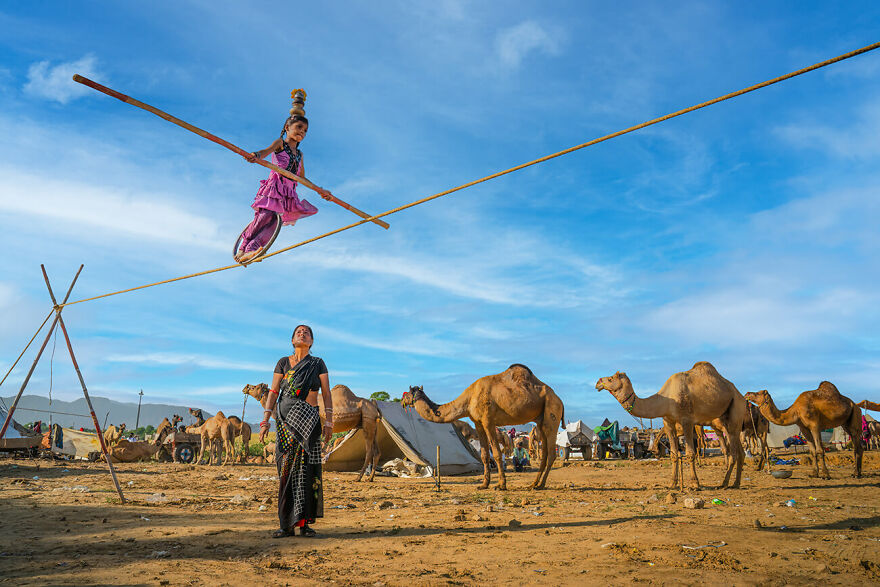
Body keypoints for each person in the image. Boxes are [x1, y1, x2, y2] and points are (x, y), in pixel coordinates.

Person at [236, 89, 334, 264]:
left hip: (288, 192)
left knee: (274, 223)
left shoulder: (300, 154)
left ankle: (253, 250)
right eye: (299, 128)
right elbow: (265, 152)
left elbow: (302, 178)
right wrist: (255, 156)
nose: (302, 133)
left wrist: (320, 190)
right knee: (264, 216)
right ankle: (244, 247)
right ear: (287, 128)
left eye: (305, 130)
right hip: (275, 187)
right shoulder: (280, 143)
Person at [258, 324, 333, 538]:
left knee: (308, 470)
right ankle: (286, 525)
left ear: (311, 342)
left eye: (306, 332)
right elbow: (273, 392)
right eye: (298, 332)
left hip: (308, 421)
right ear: (292, 340)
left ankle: (305, 525)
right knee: (286, 470)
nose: (302, 333)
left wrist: (329, 422)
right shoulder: (283, 362)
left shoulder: (317, 363)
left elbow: (326, 393)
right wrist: (265, 420)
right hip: (284, 422)